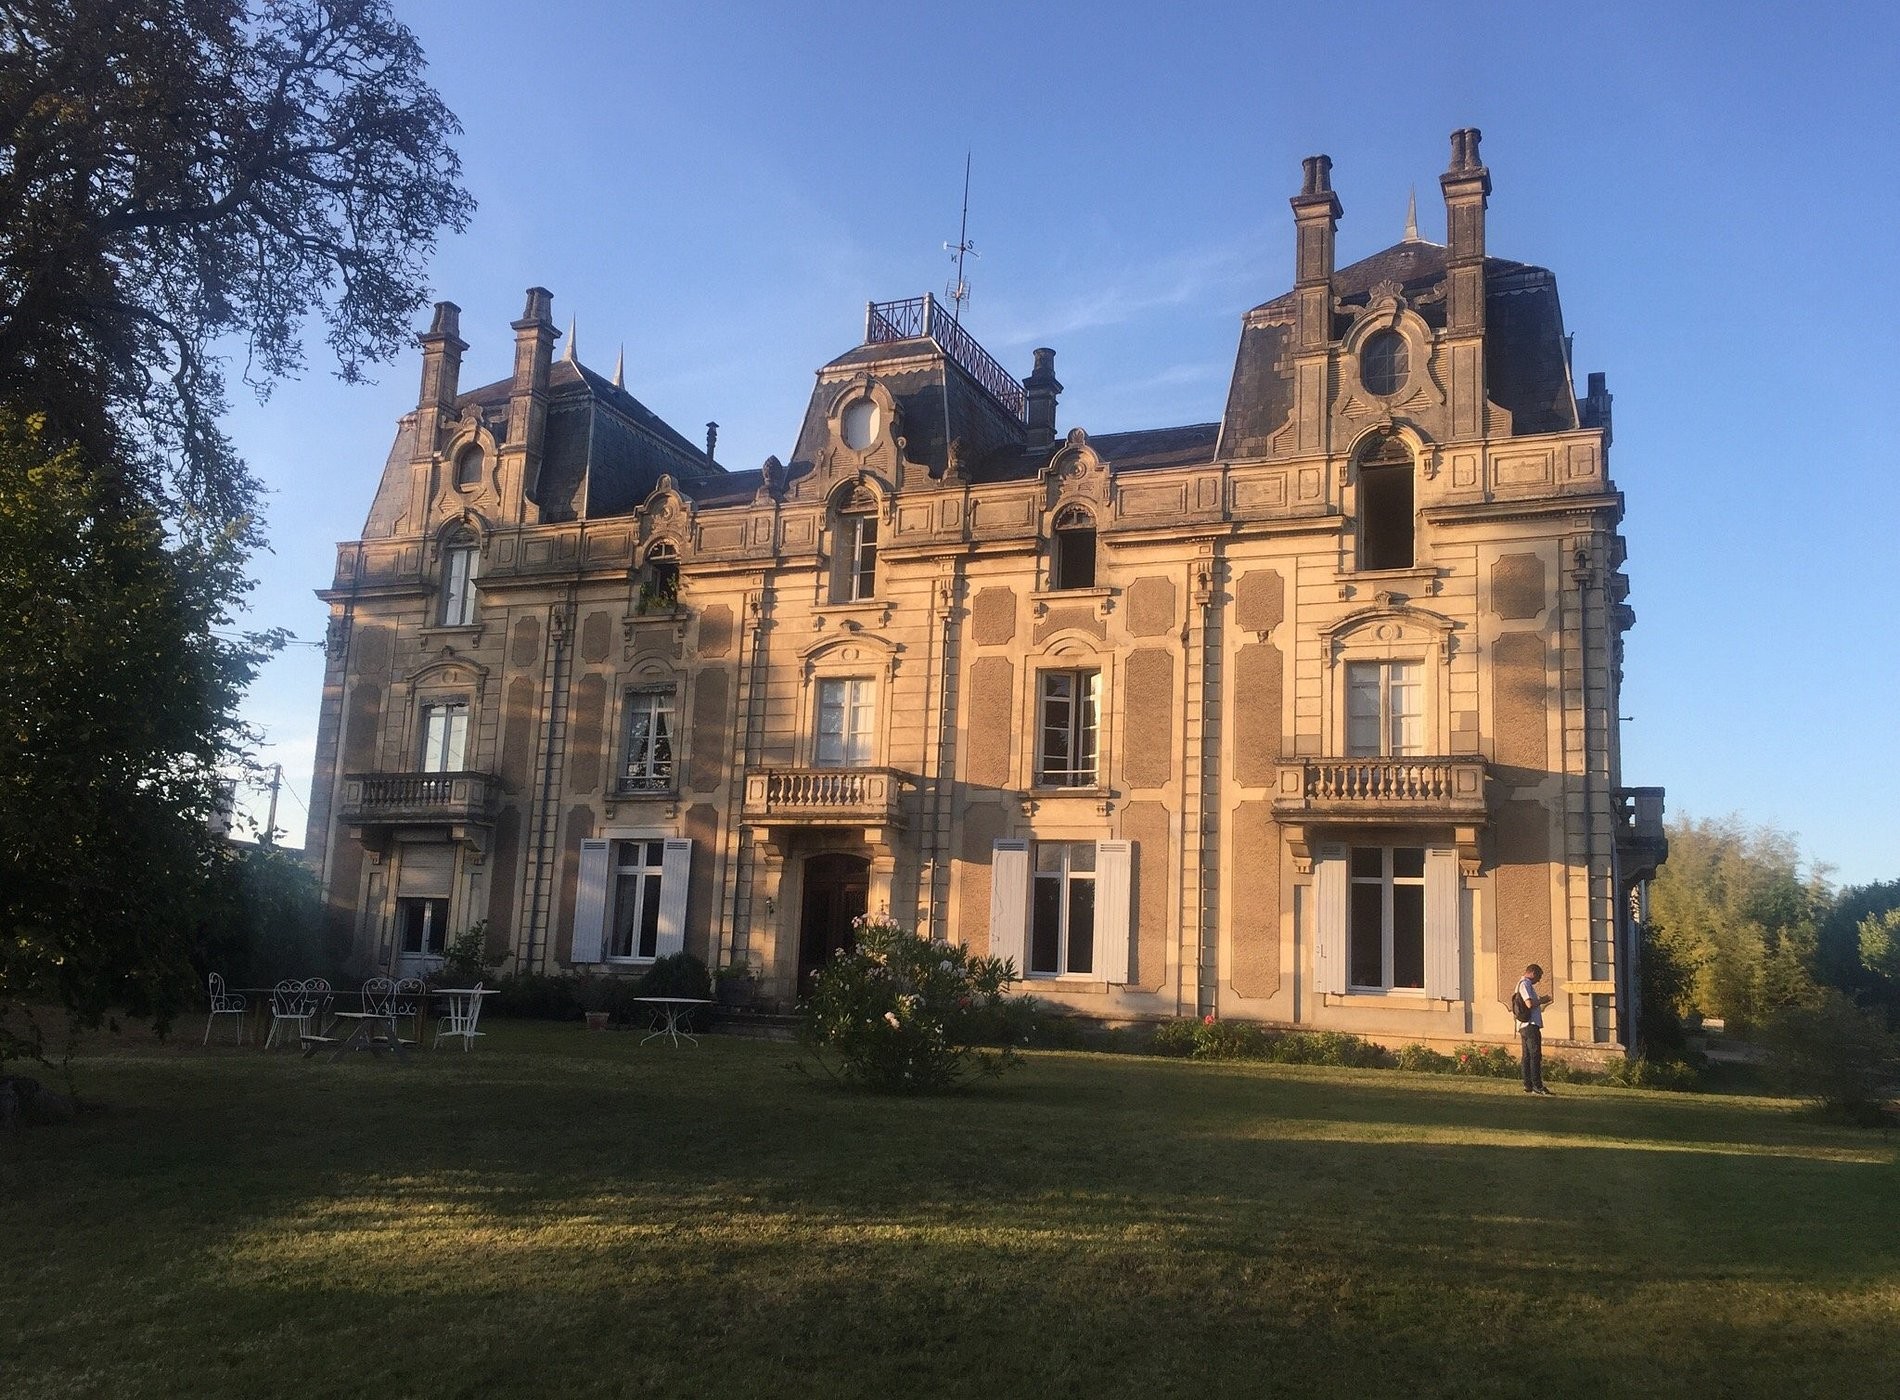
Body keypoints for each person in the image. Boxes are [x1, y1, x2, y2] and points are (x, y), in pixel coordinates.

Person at [1515, 964, 1553, 1095]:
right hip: (1530, 1025)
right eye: (1539, 976)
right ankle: (1537, 1085)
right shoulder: (1525, 984)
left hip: (1523, 1026)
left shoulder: (1521, 984)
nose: (1539, 980)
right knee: (1535, 1055)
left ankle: (1528, 1085)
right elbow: (1529, 1004)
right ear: (1532, 973)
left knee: (1527, 1056)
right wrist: (1542, 1000)